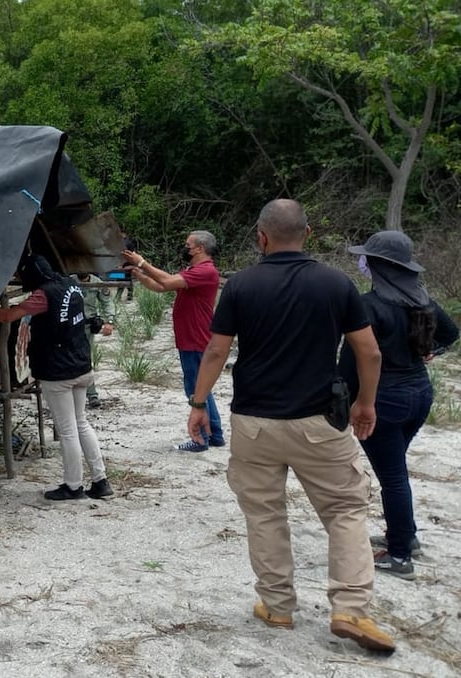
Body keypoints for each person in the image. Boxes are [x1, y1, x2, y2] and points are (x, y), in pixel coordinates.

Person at [186, 199, 394, 653]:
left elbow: (217, 352)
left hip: (255, 423)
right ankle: (351, 609)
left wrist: (199, 403)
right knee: (344, 511)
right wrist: (365, 403)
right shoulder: (336, 283)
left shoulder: (240, 285)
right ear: (308, 234)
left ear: (261, 237)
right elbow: (370, 352)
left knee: (264, 513)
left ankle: (277, 605)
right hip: (320, 421)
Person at [338, 231, 458, 581]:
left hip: (383, 401)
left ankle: (400, 554)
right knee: (395, 470)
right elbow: (451, 333)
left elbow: (352, 361)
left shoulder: (368, 305)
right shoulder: (422, 301)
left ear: (377, 266)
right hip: (419, 394)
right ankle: (404, 536)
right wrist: (430, 350)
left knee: (392, 476)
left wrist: (344, 401)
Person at [0, 255, 114, 500]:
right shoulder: (71, 284)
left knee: (67, 430)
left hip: (58, 370)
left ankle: (73, 485)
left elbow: (8, 316)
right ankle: (100, 481)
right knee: (81, 423)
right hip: (80, 364)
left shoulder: (43, 295)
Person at [123, 230, 225, 451]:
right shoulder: (195, 270)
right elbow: (163, 286)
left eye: (187, 244)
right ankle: (215, 434)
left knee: (195, 389)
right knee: (203, 388)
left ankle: (201, 439)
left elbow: (167, 280)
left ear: (199, 248)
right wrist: (141, 276)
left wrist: (141, 262)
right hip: (192, 337)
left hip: (195, 338)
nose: (184, 247)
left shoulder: (205, 271)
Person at [76, 272, 113, 408]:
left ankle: (91, 394)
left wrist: (110, 321)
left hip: (87, 325)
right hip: (70, 326)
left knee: (86, 358)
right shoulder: (69, 281)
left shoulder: (97, 282)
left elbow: (107, 301)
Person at [116, 230, 137, 302]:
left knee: (125, 279)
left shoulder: (126, 243)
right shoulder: (125, 242)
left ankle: (122, 296)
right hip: (125, 263)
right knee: (123, 278)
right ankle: (127, 296)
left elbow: (126, 255)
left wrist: (120, 265)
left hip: (126, 264)